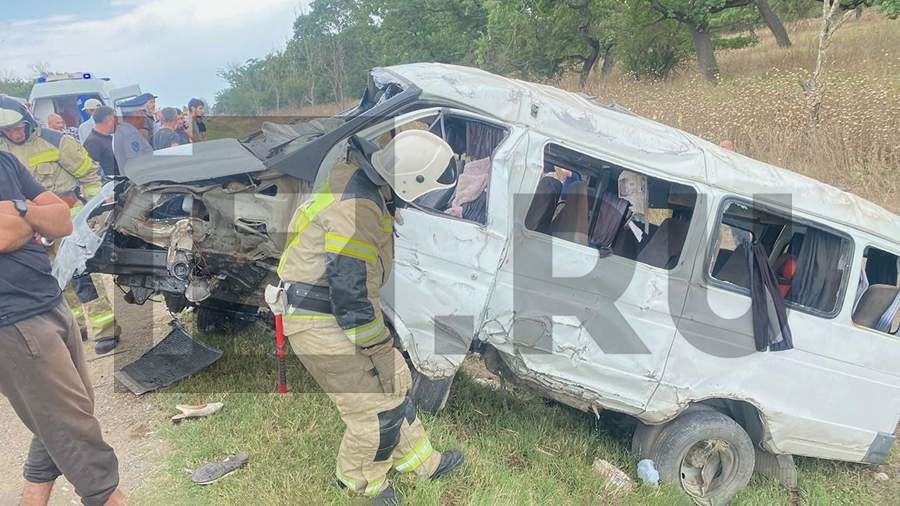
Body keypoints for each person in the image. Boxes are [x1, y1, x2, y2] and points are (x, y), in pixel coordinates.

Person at [275, 130, 464, 505]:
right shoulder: (359, 208)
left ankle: (421, 462)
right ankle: (359, 482)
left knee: (395, 385)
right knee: (373, 409)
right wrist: (380, 350)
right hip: (319, 318)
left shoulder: (367, 186)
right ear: (411, 181)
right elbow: (352, 294)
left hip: (330, 309)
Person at [0, 149, 125, 506]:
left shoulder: (4, 162)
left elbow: (63, 221)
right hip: (12, 320)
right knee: (72, 427)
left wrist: (23, 211)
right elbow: (4, 236)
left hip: (48, 300)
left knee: (68, 411)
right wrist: (33, 220)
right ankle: (108, 498)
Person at [0, 95, 118, 346]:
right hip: (30, 225)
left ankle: (106, 327)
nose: (15, 133)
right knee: (54, 279)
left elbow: (89, 175)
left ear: (28, 121)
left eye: (19, 127)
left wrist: (95, 212)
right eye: (8, 130)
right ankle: (75, 329)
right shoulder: (3, 152)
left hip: (69, 218)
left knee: (83, 275)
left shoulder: (56, 141)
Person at [112, 104, 152, 172]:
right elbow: (136, 161)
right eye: (143, 114)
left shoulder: (120, 130)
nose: (144, 118)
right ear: (137, 115)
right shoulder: (131, 133)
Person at [82, 107, 119, 179]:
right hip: (108, 186)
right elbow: (91, 172)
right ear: (108, 120)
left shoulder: (108, 138)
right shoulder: (93, 143)